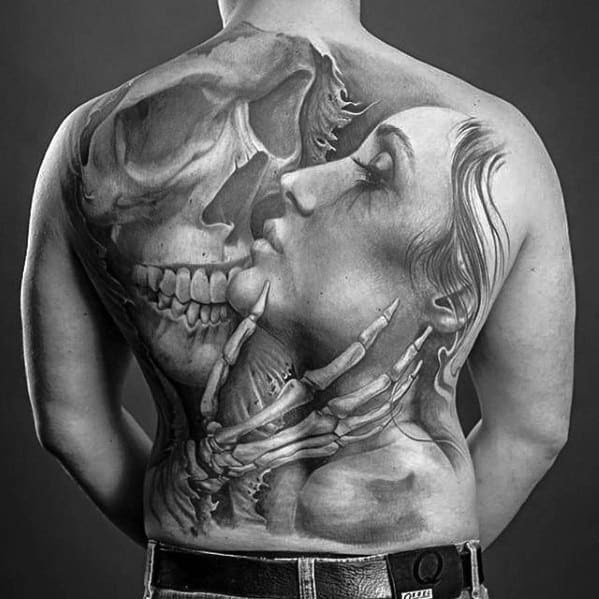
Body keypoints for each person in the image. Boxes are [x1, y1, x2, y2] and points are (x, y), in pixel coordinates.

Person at [21, 1, 574, 598]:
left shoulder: (81, 140)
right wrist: (417, 568)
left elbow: (69, 422)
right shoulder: (510, 144)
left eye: (373, 171)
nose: (290, 184)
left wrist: (204, 554)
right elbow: (533, 431)